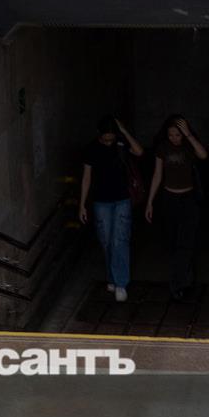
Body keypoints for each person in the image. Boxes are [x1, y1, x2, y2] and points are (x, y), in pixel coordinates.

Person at [79, 116, 144, 302]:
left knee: (120, 240)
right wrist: (82, 204)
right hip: (101, 201)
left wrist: (123, 131)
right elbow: (86, 178)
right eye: (105, 139)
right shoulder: (91, 149)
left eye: (111, 138)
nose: (109, 142)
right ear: (99, 134)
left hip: (122, 199)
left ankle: (121, 283)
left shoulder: (121, 144)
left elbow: (139, 152)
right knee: (106, 240)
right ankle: (112, 277)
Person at [146, 115, 209, 301]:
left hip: (188, 198)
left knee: (187, 242)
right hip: (169, 198)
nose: (174, 138)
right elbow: (157, 174)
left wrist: (188, 135)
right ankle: (180, 281)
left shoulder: (188, 146)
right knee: (173, 242)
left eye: (177, 135)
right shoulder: (163, 148)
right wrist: (150, 201)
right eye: (171, 135)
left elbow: (203, 155)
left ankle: (183, 283)